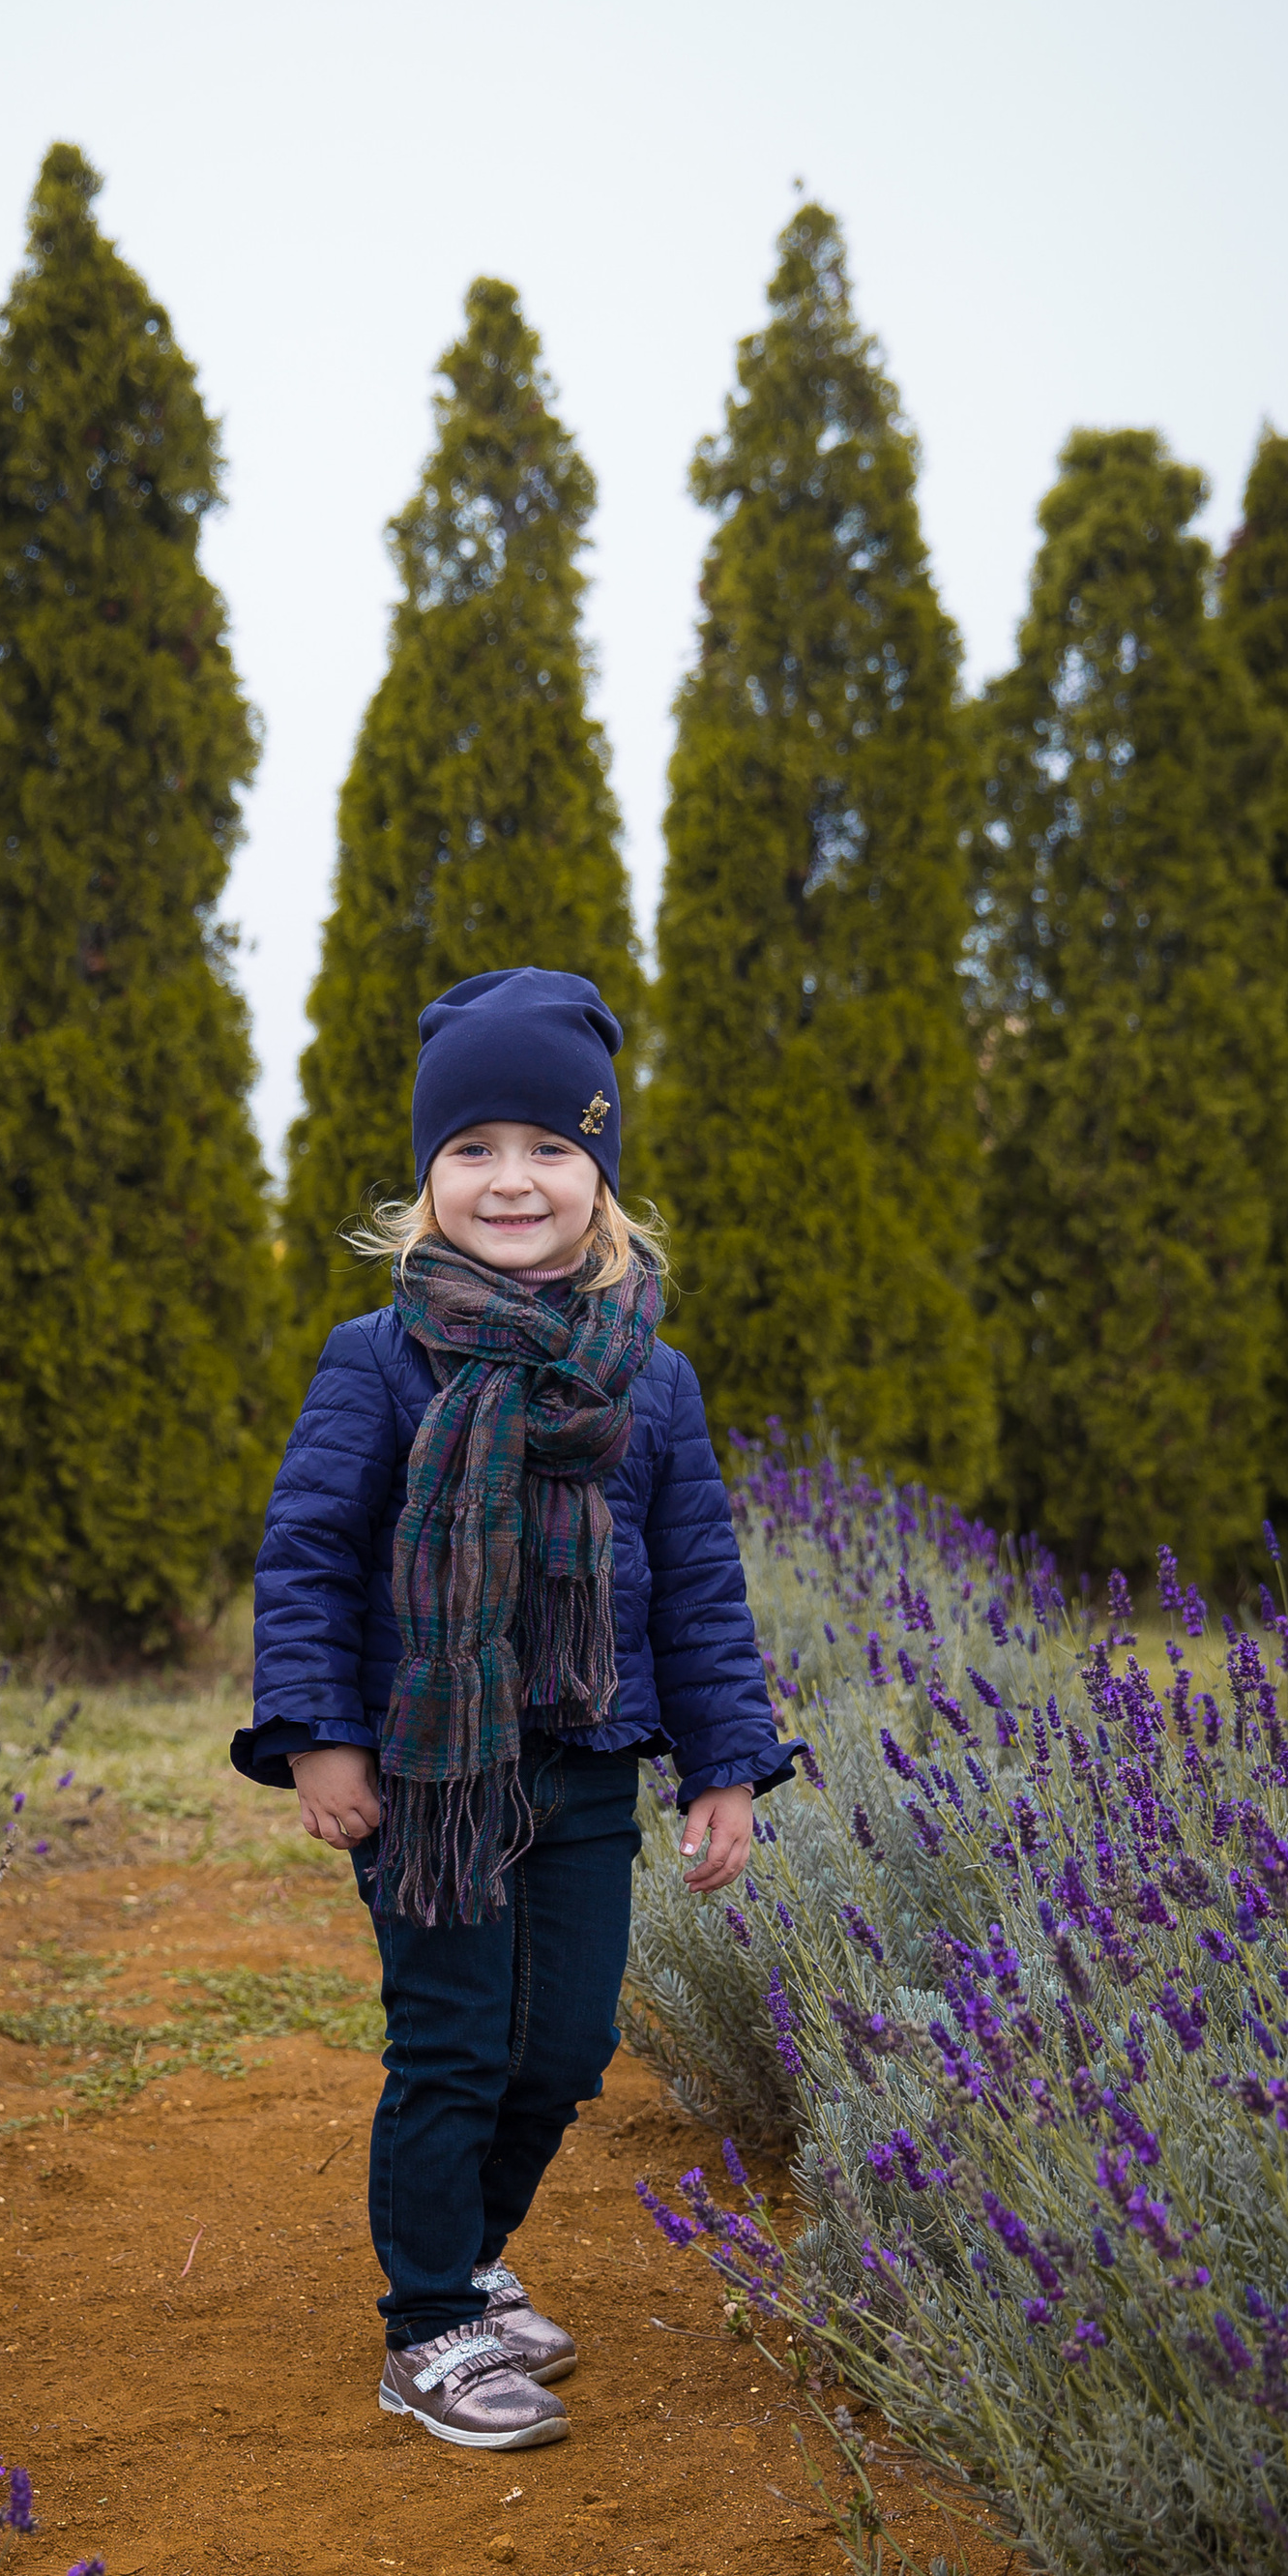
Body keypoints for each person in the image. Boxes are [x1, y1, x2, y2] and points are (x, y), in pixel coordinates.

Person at [232, 965, 798, 2453]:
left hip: (590, 1761)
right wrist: (319, 1732)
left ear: (599, 1178)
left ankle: (469, 2258)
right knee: (455, 2045)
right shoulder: (377, 1362)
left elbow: (696, 1582)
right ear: (429, 1177)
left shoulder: (648, 1382)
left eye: (552, 1147)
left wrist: (724, 1764)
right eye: (473, 1148)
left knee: (568, 2048)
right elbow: (307, 1553)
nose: (512, 1178)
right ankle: (428, 2327)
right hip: (430, 1771)